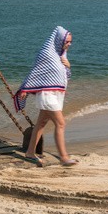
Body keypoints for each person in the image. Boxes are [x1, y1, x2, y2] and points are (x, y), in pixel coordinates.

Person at [14, 26, 77, 167]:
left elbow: (64, 76)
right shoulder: (46, 53)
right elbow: (36, 71)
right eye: (67, 41)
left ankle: (30, 152)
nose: (69, 44)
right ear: (59, 40)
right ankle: (64, 157)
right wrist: (25, 88)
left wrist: (68, 66)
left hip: (57, 94)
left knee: (41, 124)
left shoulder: (62, 55)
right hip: (46, 94)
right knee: (61, 123)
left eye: (70, 42)